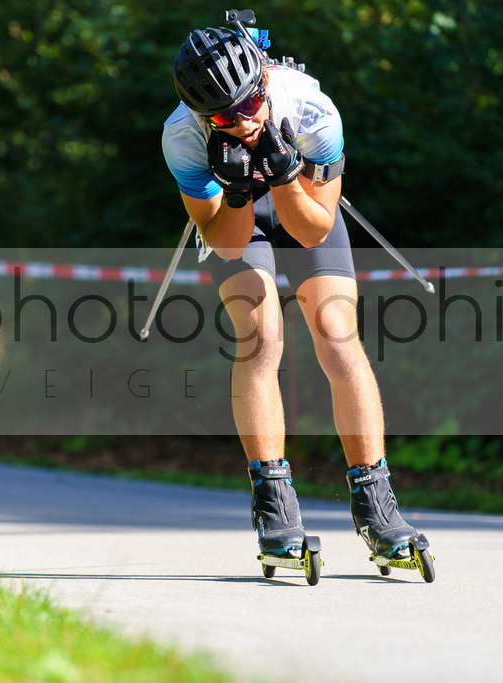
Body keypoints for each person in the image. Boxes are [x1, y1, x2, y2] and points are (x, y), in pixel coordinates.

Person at [162, 25, 423, 562]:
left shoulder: (311, 110)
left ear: (264, 79)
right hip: (237, 219)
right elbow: (227, 244)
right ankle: (273, 504)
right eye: (223, 117)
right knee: (259, 335)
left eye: (251, 101)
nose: (244, 119)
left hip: (304, 200)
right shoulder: (182, 138)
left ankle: (376, 502)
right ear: (199, 113)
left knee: (335, 333)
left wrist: (282, 176)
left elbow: (313, 230)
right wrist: (236, 190)